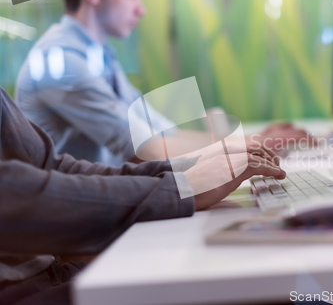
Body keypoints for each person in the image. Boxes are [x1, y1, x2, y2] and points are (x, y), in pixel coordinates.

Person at [0, 87, 286, 305]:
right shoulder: (67, 64)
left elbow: (54, 168)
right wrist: (181, 187)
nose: (141, 10)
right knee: (255, 281)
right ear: (93, 2)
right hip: (27, 286)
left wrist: (188, 168)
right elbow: (148, 146)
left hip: (51, 268)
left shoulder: (100, 58)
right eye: (132, 2)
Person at [15, 0, 311, 167]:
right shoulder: (61, 62)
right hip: (75, 230)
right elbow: (149, 152)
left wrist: (248, 140)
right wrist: (254, 145)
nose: (141, 9)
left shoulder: (101, 57)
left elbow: (161, 133)